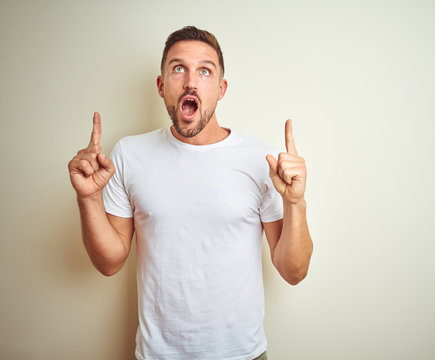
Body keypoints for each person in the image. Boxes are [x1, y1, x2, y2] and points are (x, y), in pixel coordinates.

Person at [68, 26, 313, 360]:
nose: (191, 82)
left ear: (221, 88)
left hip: (242, 354)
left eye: (205, 71)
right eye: (178, 68)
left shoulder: (262, 160)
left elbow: (293, 271)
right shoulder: (129, 154)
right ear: (161, 85)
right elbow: (109, 262)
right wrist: (88, 198)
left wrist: (295, 202)